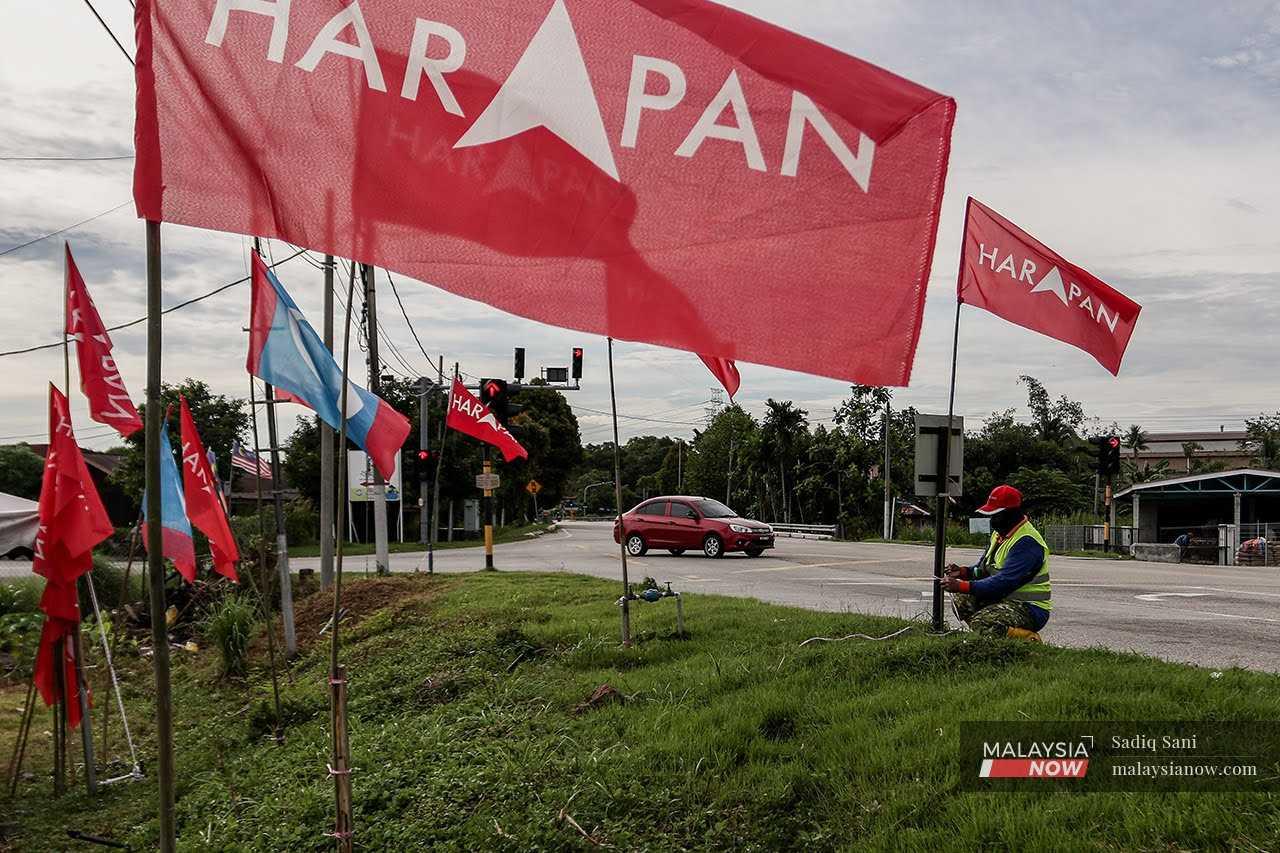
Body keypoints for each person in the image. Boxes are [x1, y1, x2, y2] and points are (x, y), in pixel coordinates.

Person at [941, 484, 1051, 641]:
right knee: (961, 601)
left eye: (996, 515)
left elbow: (1003, 582)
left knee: (984, 622)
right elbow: (985, 569)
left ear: (1012, 514)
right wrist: (964, 572)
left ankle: (1027, 638)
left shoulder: (1027, 542)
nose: (992, 520)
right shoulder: (1000, 534)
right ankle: (989, 635)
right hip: (1005, 599)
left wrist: (962, 585)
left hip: (1030, 608)